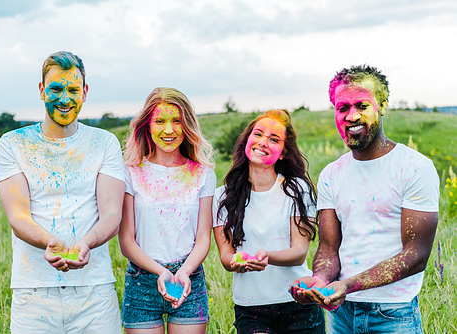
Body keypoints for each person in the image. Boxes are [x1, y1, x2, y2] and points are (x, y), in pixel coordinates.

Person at [290, 65, 440, 333]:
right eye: (343, 108)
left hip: (394, 314)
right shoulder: (331, 174)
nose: (352, 115)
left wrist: (348, 285)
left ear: (382, 106)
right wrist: (319, 279)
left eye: (362, 105)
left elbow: (416, 255)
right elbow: (328, 249)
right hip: (342, 314)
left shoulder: (414, 167)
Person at [0, 51, 125, 333]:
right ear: (42, 90)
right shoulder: (13, 144)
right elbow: (17, 215)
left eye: (73, 89)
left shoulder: (105, 143)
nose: (65, 98)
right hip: (33, 293)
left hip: (95, 292)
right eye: (55, 88)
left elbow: (112, 213)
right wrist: (49, 242)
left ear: (85, 92)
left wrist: (86, 243)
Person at [213, 109, 325, 334]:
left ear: (283, 153)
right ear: (247, 141)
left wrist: (267, 257)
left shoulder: (297, 189)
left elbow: (300, 252)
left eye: (274, 139)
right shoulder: (221, 196)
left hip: (297, 301)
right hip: (250, 309)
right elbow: (226, 256)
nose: (263, 142)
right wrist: (237, 262)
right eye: (258, 134)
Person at [118, 87, 215, 333]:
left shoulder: (203, 174)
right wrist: (161, 271)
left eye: (177, 121)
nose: (169, 130)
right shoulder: (130, 172)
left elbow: (203, 238)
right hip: (142, 281)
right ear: (147, 125)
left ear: (187, 126)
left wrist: (183, 272)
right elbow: (127, 241)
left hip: (189, 278)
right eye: (160, 121)